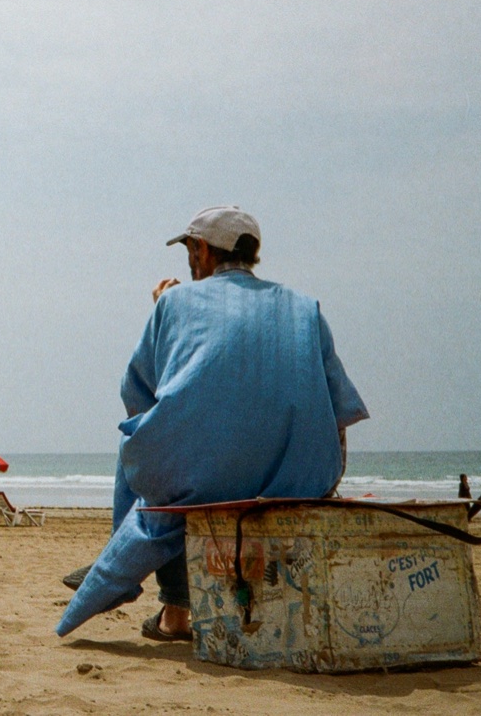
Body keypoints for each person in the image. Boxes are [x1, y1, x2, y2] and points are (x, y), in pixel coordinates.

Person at [56, 205, 369, 640]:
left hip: (206, 479)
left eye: (188, 249)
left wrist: (164, 310)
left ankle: (134, 576)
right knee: (177, 450)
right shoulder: (305, 307)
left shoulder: (175, 301)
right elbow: (341, 408)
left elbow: (137, 393)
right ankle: (166, 606)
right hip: (301, 479)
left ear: (201, 250)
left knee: (155, 455)